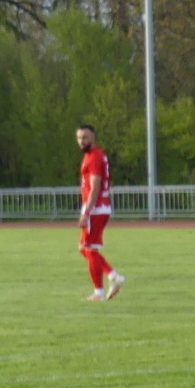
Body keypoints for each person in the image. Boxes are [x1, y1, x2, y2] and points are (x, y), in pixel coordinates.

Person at [75, 124, 122, 299]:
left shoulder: (94, 157)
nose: (81, 141)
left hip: (95, 208)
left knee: (89, 248)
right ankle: (112, 276)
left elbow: (95, 187)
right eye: (79, 138)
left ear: (93, 138)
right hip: (97, 207)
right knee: (84, 248)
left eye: (85, 137)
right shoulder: (91, 156)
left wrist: (86, 212)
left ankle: (99, 291)